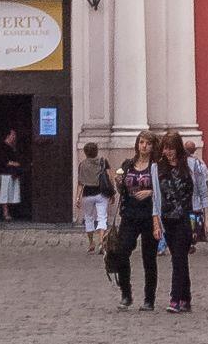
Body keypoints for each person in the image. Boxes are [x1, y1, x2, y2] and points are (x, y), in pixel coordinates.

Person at [111, 133, 159, 310]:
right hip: (129, 214)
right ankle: (126, 293)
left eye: (147, 143)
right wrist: (118, 183)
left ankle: (149, 299)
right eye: (141, 142)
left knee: (149, 258)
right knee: (121, 252)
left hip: (149, 215)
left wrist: (151, 192)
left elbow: (163, 188)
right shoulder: (128, 165)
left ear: (154, 146)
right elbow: (122, 189)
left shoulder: (156, 166)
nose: (144, 146)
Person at [156, 132, 195, 312]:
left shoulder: (187, 167)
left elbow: (195, 194)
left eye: (171, 148)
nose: (168, 152)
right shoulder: (159, 168)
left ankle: (175, 299)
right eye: (165, 148)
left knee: (178, 259)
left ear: (178, 148)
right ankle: (186, 298)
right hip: (167, 219)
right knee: (180, 259)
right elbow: (156, 194)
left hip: (183, 219)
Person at [77, 137, 114, 252]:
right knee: (102, 218)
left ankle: (91, 243)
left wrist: (77, 197)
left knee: (88, 218)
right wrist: (112, 193)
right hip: (101, 193)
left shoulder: (82, 164)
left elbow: (80, 183)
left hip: (87, 194)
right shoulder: (103, 161)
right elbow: (109, 178)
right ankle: (102, 243)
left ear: (85, 152)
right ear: (97, 151)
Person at [0, 125, 23, 224]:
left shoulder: (12, 147)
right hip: (5, 173)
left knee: (12, 193)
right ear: (8, 136)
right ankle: (5, 213)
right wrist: (15, 163)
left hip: (12, 173)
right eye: (13, 134)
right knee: (5, 193)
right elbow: (3, 161)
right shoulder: (2, 147)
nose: (14, 136)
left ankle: (12, 212)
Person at [187, 140, 208, 244]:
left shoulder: (196, 164)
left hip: (192, 207)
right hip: (195, 206)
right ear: (195, 150)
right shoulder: (200, 164)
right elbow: (206, 184)